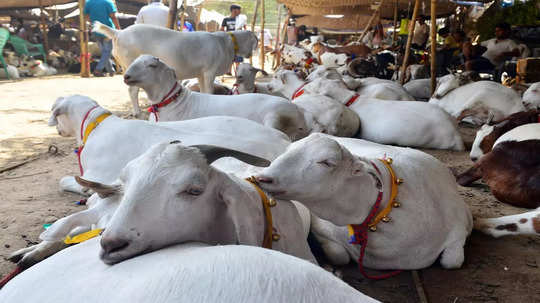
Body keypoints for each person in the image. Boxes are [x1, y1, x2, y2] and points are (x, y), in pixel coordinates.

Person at [84, 0, 121, 77]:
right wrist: (118, 28)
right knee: (107, 52)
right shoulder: (108, 2)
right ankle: (98, 70)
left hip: (96, 30)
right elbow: (113, 17)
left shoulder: (88, 2)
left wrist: (93, 22)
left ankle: (111, 70)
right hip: (108, 30)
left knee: (104, 52)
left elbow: (86, 17)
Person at [221, 4, 246, 75]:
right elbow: (222, 29)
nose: (240, 12)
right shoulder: (226, 19)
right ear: (234, 10)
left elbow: (245, 29)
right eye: (239, 10)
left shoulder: (241, 20)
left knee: (238, 56)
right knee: (229, 55)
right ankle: (229, 71)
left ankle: (238, 71)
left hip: (238, 40)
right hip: (229, 40)